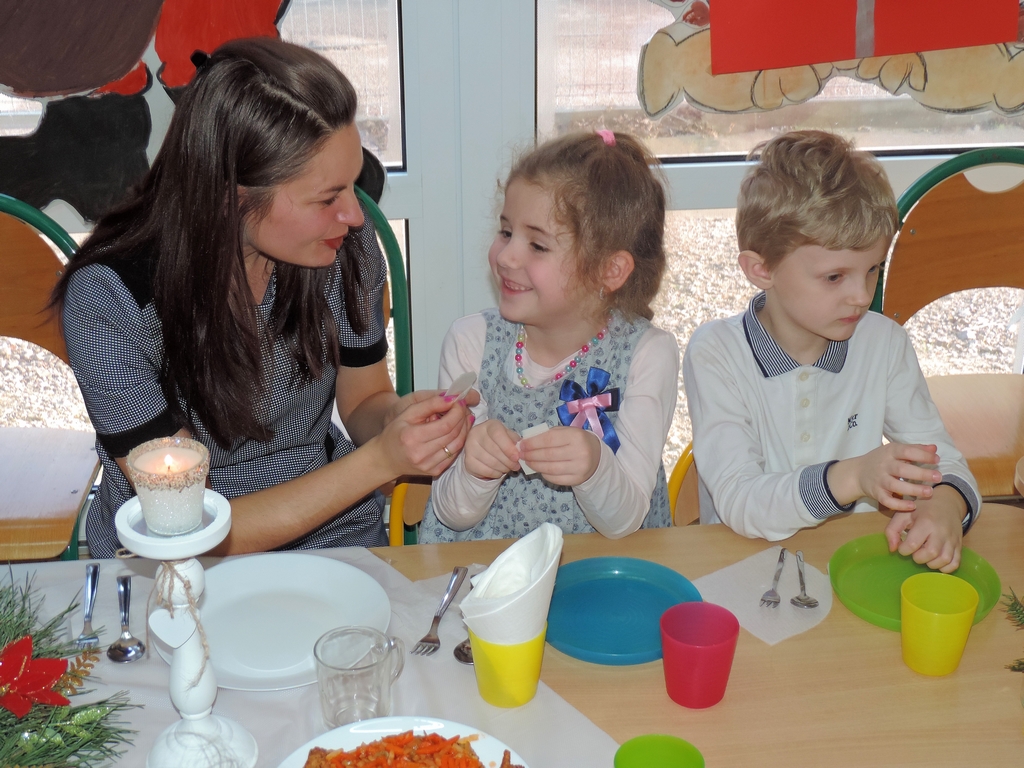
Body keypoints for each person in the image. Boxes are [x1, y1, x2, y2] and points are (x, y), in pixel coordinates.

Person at [53, 38, 472, 558]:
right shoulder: (109, 301)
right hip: (169, 564)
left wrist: (398, 425)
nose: (355, 215)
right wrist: (379, 462)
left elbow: (364, 400)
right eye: (328, 197)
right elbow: (189, 525)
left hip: (333, 535)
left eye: (352, 185)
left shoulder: (344, 247)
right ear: (231, 195)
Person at [683, 130, 979, 572]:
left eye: (873, 269)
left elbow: (945, 461)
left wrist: (946, 506)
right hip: (742, 566)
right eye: (835, 277)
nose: (862, 296)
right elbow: (740, 502)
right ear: (761, 269)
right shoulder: (716, 353)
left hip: (848, 565)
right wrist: (853, 476)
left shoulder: (883, 344)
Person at [419, 130, 678, 542]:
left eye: (537, 245)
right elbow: (452, 514)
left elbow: (625, 520)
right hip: (488, 571)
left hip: (599, 570)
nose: (506, 256)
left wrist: (595, 467)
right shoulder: (471, 342)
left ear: (609, 270)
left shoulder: (647, 355)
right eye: (506, 232)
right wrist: (474, 469)